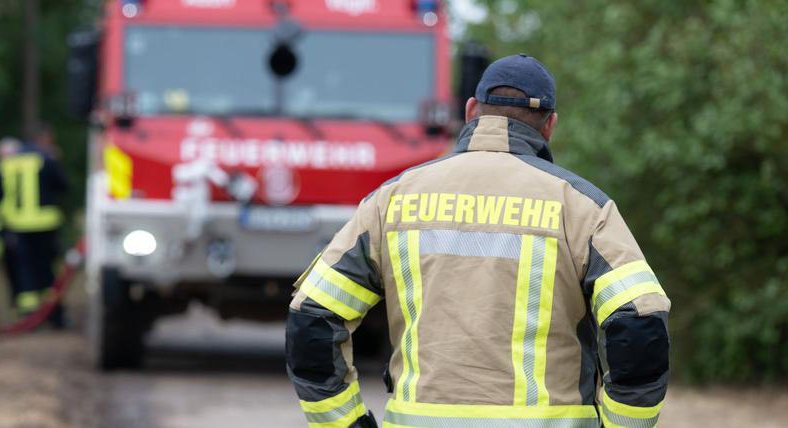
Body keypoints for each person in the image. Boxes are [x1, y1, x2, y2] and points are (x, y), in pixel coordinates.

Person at [284, 54, 670, 428]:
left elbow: (313, 317)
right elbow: (638, 324)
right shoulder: (583, 207)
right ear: (550, 125)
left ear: (471, 110)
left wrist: (346, 423)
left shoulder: (392, 201)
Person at [0, 135, 68, 327]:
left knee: (25, 270)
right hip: (47, 226)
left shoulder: (7, 167)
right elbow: (63, 187)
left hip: (18, 228)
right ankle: (55, 315)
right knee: (47, 270)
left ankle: (29, 316)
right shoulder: (46, 161)